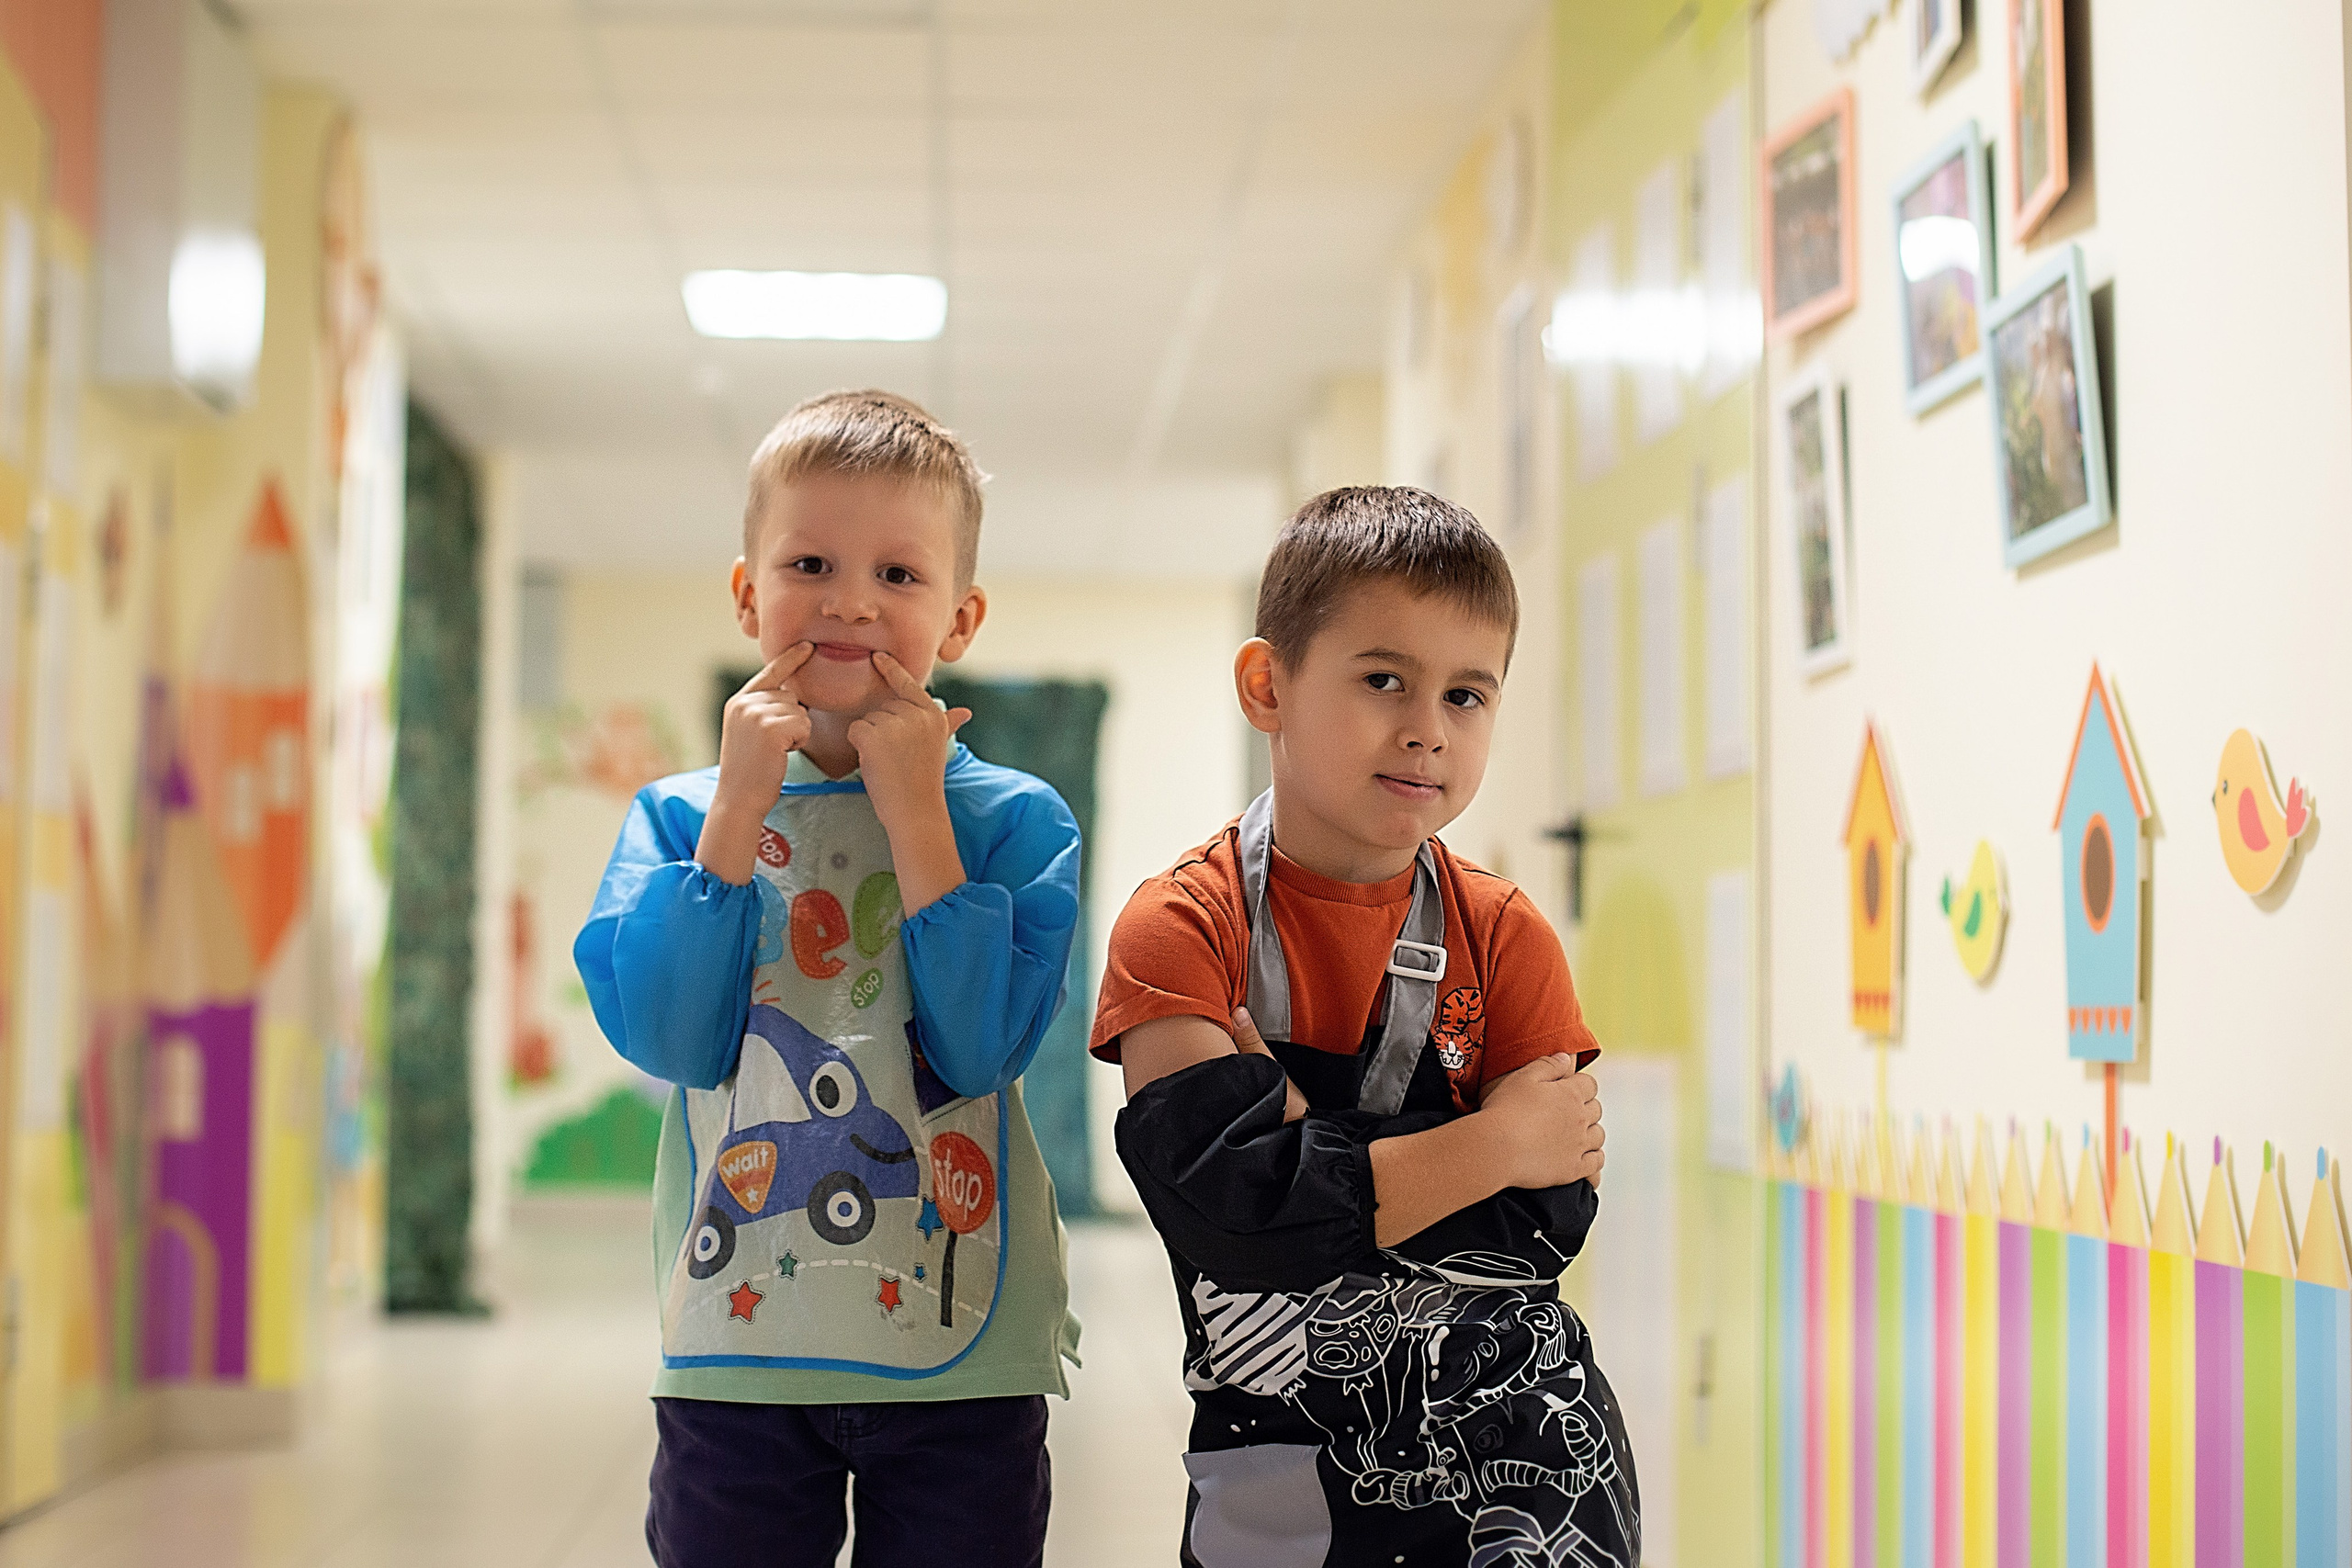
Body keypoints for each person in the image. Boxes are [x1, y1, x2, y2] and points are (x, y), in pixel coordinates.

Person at [575, 389, 1081, 1568]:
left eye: (899, 576)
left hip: (964, 1344)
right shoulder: (676, 814)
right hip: (734, 1340)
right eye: (811, 561)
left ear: (960, 617)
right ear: (748, 593)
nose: (853, 599)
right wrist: (737, 807)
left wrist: (915, 806)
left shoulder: (1013, 819)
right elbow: (669, 1036)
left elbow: (979, 1052)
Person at [1091, 486, 1638, 1568]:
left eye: (1467, 694)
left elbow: (1540, 1225)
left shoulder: (1505, 933)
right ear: (1268, 685)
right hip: (1276, 1488)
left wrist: (1303, 1146)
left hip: (1532, 1479)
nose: (1426, 729)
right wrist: (1488, 1142)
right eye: (1383, 678)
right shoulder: (1183, 928)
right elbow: (1233, 1226)